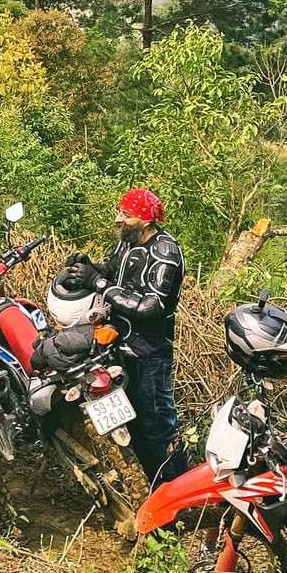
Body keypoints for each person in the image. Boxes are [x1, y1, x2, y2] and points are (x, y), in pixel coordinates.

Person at [64, 188, 185, 486]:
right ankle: (146, 489)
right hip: (115, 345)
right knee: (129, 419)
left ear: (145, 220)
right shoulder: (125, 242)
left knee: (157, 422)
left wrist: (100, 283)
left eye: (126, 215)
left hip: (150, 351)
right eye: (120, 212)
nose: (119, 219)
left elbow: (151, 305)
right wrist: (88, 267)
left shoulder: (165, 252)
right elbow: (112, 271)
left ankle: (178, 491)